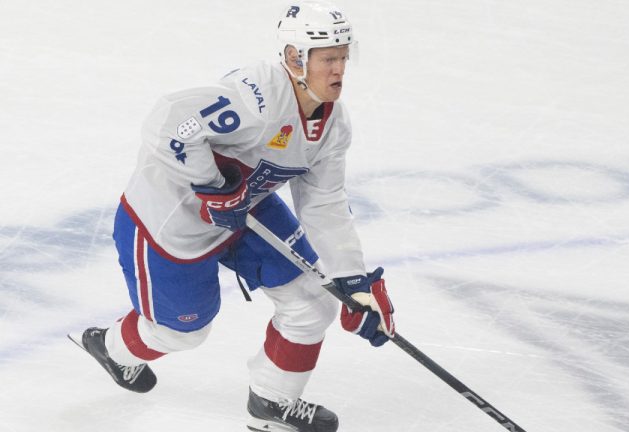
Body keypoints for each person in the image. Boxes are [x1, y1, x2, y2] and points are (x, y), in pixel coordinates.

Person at [70, 2, 395, 431]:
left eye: (343, 57)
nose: (339, 69)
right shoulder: (255, 97)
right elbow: (169, 119)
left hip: (247, 211)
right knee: (183, 332)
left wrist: (353, 280)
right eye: (328, 58)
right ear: (296, 57)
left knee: (313, 301)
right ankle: (113, 348)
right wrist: (210, 183)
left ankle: (272, 402)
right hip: (171, 222)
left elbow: (324, 201)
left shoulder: (333, 125)